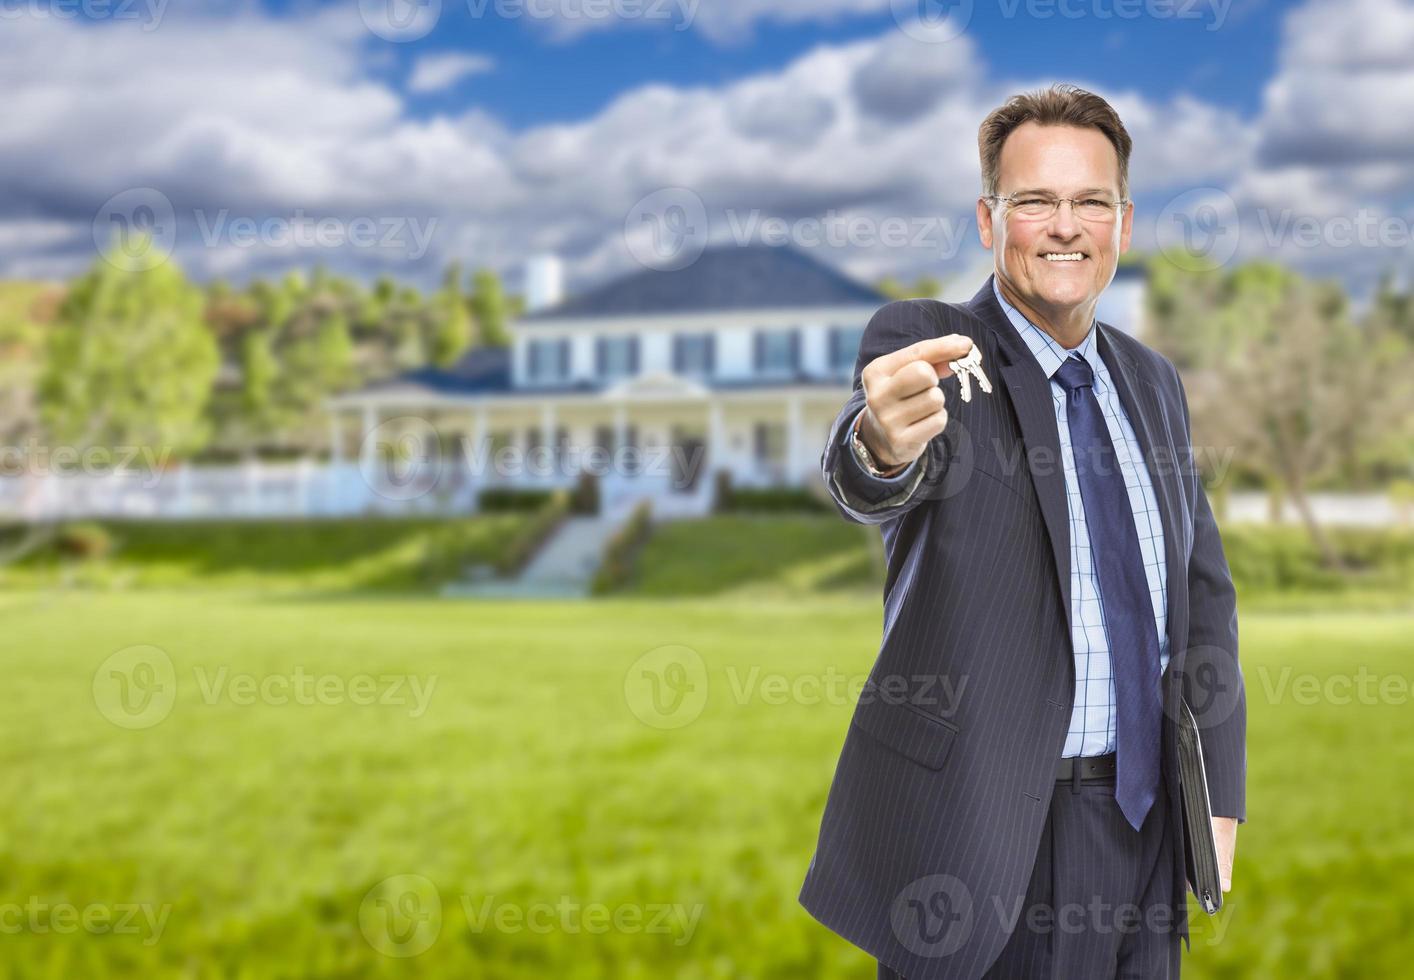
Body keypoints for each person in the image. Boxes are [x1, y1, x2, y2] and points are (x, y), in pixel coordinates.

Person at [798, 83, 1246, 980]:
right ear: (987, 218)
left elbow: (1202, 597)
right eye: (1034, 201)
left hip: (1147, 829)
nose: (1064, 226)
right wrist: (879, 441)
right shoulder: (935, 343)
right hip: (987, 838)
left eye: (1090, 202)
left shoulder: (1152, 381)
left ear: (1122, 221)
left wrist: (1218, 800)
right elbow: (873, 468)